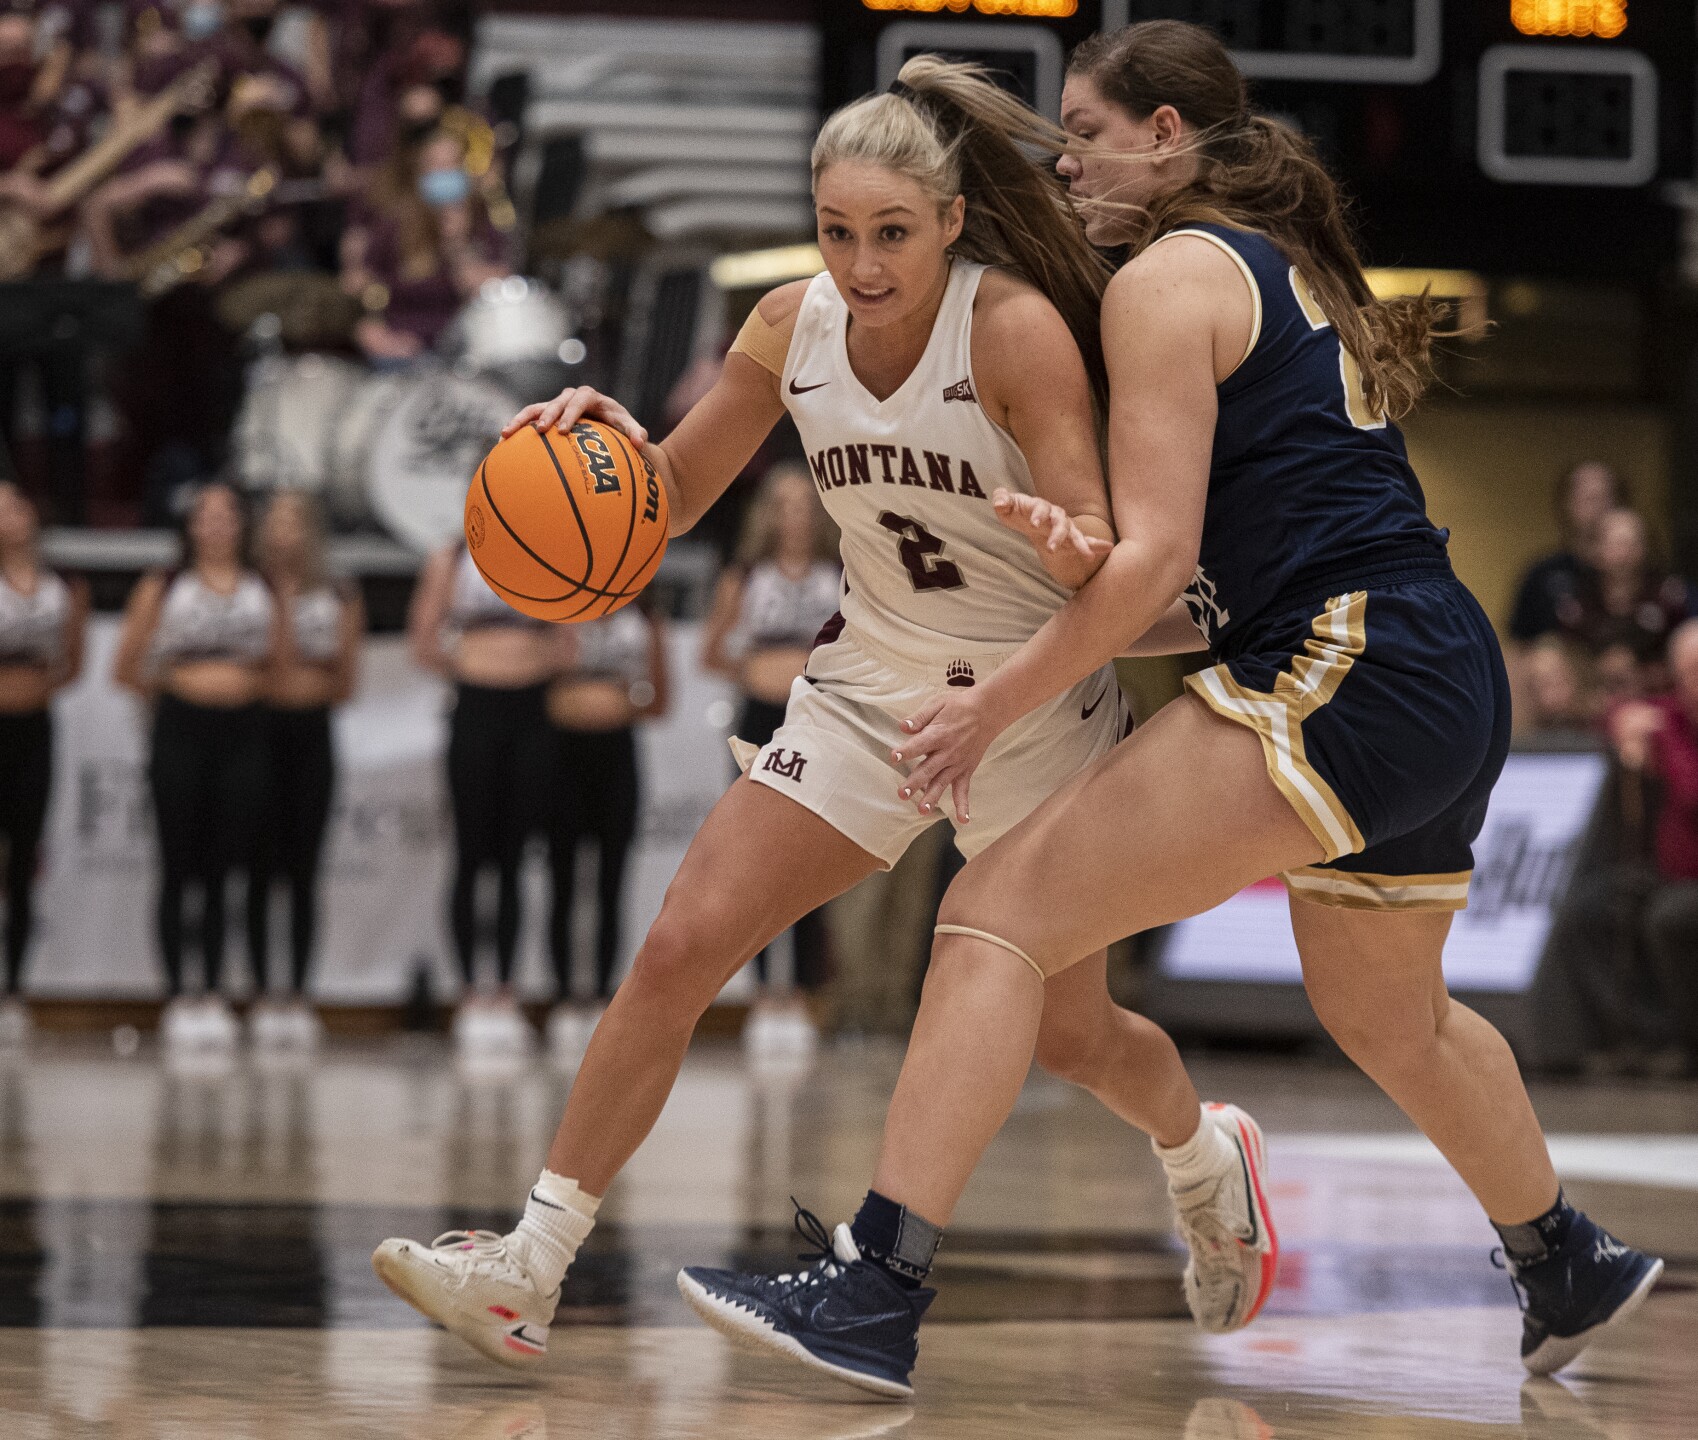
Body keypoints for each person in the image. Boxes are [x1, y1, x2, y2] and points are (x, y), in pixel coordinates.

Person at [680, 21, 1664, 1394]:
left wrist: (997, 696)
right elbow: (1178, 570)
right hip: (1435, 666)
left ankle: (874, 1287)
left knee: (989, 916)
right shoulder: (1282, 260)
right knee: (1391, 1020)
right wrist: (1081, 560)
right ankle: (1562, 1256)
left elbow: (1154, 564)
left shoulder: (1164, 281)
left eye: (1086, 128)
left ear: (1165, 134)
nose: (1067, 156)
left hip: (1343, 659)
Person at [373, 56, 1278, 1370]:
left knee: (1073, 1033)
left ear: (952, 221)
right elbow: (670, 499)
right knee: (682, 943)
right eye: (838, 232)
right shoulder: (784, 330)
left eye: (891, 234)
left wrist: (1057, 535)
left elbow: (1106, 543)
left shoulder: (1011, 328)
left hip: (1027, 696)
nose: (860, 266)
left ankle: (1203, 1161)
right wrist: (600, 448)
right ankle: (529, 1264)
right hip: (870, 690)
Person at [113, 482, 278, 1051]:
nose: (215, 525)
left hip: (244, 734)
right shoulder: (165, 585)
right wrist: (180, 688)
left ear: (241, 523)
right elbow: (125, 666)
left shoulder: (264, 587)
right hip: (181, 731)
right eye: (204, 515)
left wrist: (241, 684)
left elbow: (282, 667)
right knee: (179, 865)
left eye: (226, 514)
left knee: (224, 868)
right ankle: (178, 994)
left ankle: (213, 991)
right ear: (189, 526)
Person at [700, 461, 842, 1056]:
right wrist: (754, 673)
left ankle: (805, 995)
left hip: (817, 723)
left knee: (808, 861)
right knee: (755, 859)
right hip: (759, 718)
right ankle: (762, 994)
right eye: (783, 503)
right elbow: (710, 652)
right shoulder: (745, 576)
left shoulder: (839, 574)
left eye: (804, 503)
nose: (795, 514)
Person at [407, 538, 552, 1055]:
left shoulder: (555, 548)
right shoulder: (450, 558)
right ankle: (470, 992)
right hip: (474, 711)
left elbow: (571, 640)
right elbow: (423, 642)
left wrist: (529, 659)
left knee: (515, 858)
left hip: (532, 713)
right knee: (470, 854)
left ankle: (506, 993)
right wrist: (474, 667)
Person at [245, 491, 362, 1051]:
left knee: (304, 869)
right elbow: (263, 672)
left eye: (296, 519)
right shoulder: (247, 590)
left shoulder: (337, 593)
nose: (285, 530)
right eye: (276, 518)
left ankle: (298, 993)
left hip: (313, 734)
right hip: (257, 734)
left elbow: (345, 682)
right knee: (260, 868)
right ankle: (262, 992)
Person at [542, 598, 669, 1067]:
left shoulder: (643, 618)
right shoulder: (557, 606)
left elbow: (659, 698)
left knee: (612, 881)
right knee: (562, 879)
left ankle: (600, 997)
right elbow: (537, 682)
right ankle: (562, 998)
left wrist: (616, 697)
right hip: (561, 753)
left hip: (617, 755)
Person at [0, 482, 88, 1045]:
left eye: (13, 504)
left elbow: (72, 661)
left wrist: (33, 687)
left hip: (34, 730)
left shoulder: (62, 586)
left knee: (23, 859)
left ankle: (14, 990)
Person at [1558, 507, 1692, 702]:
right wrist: (1599, 669)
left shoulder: (1670, 597)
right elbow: (1568, 664)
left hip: (1661, 702)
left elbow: (1686, 663)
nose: (1624, 553)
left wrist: (1640, 672)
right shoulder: (1577, 604)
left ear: (1645, 547)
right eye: (1616, 544)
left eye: (1632, 543)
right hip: (1591, 705)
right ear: (1595, 550)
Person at [1508, 461, 1623, 646]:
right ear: (1567, 504)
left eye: (1605, 497)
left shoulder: (1647, 574)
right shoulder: (1543, 574)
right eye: (1589, 498)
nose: (1599, 508)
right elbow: (1516, 645)